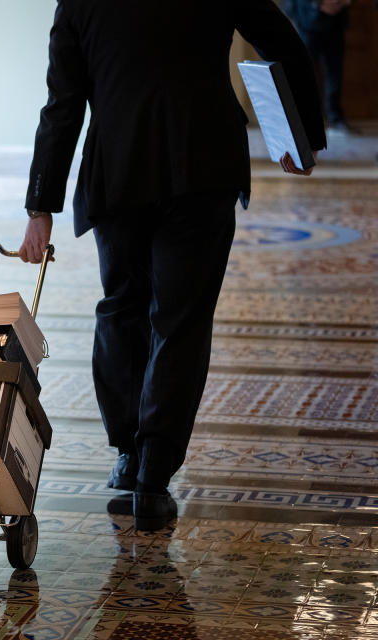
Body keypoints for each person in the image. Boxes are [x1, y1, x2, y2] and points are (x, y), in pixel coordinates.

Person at [19, 0, 325, 531]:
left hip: (118, 170)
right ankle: (153, 475)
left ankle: (128, 454)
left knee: (121, 308)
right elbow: (285, 44)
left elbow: (63, 105)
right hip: (203, 164)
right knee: (180, 320)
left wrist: (39, 208)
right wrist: (298, 138)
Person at [283, 0, 355, 134]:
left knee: (335, 73)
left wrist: (343, 2)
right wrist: (320, 3)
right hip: (307, 20)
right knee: (302, 74)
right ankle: (301, 121)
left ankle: (335, 119)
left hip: (337, 22)